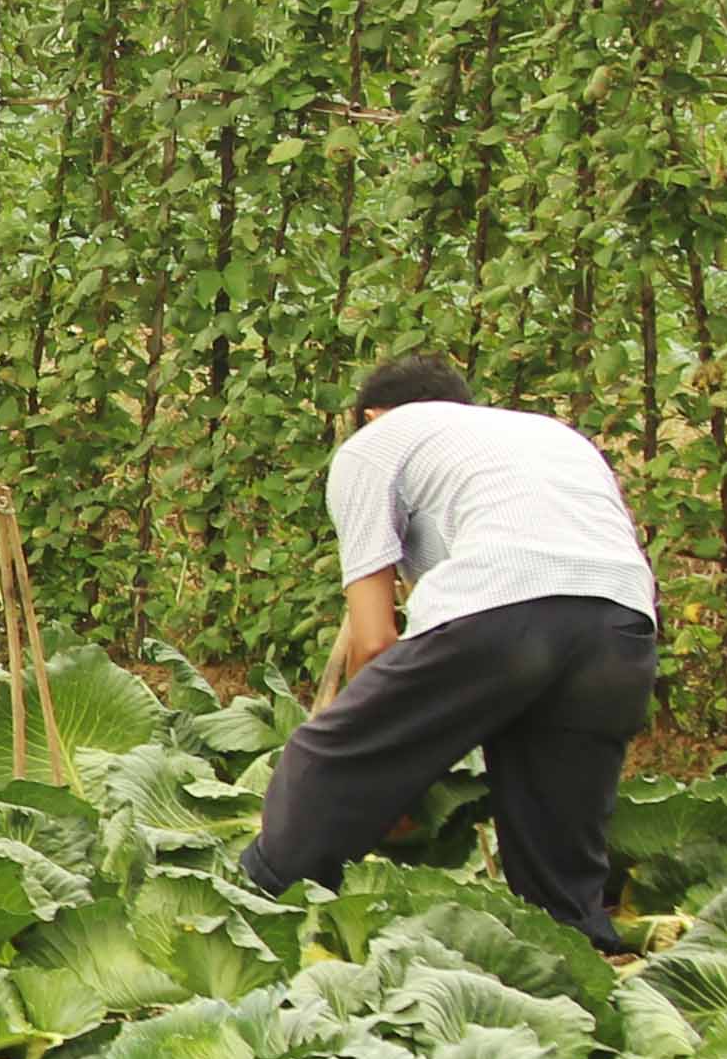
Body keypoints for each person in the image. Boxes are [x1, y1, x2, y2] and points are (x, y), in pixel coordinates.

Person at [241, 352, 661, 952]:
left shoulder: (375, 442)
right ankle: (582, 959)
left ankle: (255, 907)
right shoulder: (541, 434)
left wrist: (374, 755)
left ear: (371, 414)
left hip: (506, 606)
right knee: (554, 835)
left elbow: (377, 638)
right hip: (621, 623)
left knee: (322, 756)